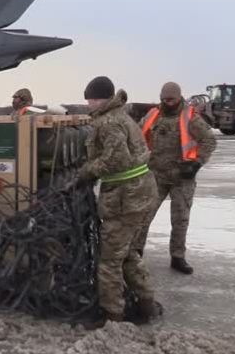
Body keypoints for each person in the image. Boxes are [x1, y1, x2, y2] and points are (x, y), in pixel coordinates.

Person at [77, 76, 161, 328]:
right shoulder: (121, 116)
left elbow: (115, 161)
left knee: (110, 259)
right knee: (127, 253)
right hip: (138, 195)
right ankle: (146, 304)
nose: (88, 104)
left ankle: (113, 315)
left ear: (99, 99)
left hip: (126, 199)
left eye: (90, 99)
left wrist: (86, 173)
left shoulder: (109, 123)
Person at [132, 82, 217, 274]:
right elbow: (137, 135)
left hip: (182, 177)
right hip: (156, 176)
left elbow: (209, 141)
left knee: (180, 219)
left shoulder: (190, 117)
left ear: (179, 97)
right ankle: (136, 253)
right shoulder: (153, 115)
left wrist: (197, 163)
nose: (167, 102)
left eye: (171, 99)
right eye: (164, 98)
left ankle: (178, 257)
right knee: (144, 215)